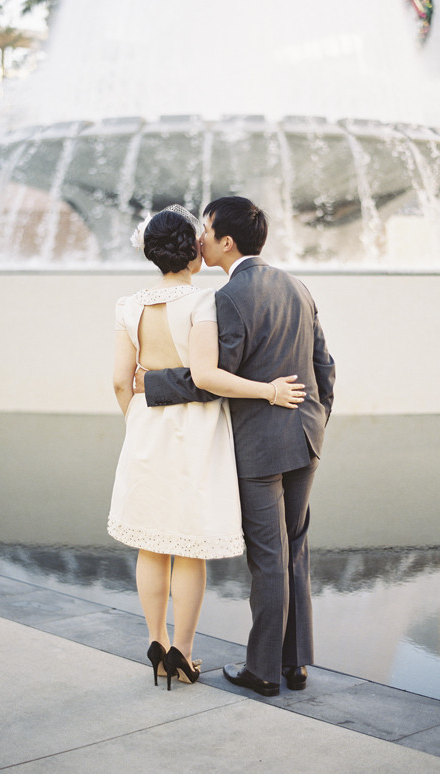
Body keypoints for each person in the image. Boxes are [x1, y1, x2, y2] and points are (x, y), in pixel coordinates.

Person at [137, 196, 335, 696]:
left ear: (226, 241)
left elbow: (211, 379)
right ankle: (295, 665)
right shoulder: (297, 286)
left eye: (205, 229)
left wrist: (152, 383)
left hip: (259, 447)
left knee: (268, 557)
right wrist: (317, 420)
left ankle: (264, 670)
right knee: (294, 550)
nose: (199, 238)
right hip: (306, 437)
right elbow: (325, 366)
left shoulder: (228, 297)